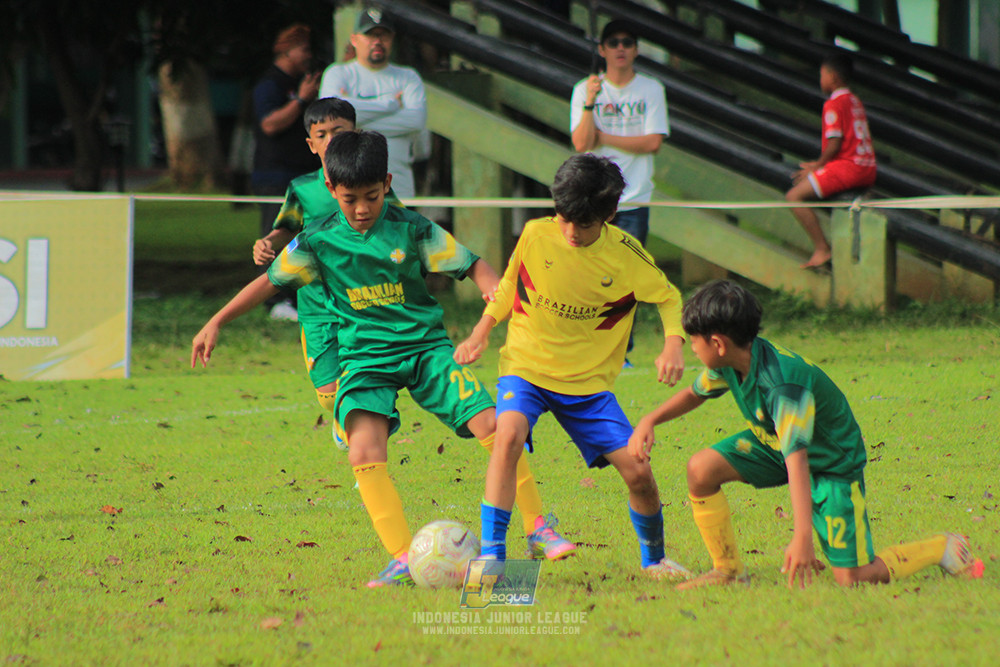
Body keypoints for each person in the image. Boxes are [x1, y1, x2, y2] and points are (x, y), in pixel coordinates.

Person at [192, 130, 572, 588]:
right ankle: (401, 558)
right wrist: (217, 320)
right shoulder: (316, 240)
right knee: (362, 448)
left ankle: (537, 526)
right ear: (330, 188)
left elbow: (472, 264)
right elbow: (269, 283)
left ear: (387, 183)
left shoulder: (412, 229)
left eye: (371, 196)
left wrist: (494, 292)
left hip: (426, 350)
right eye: (349, 199)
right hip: (366, 360)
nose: (361, 209)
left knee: (495, 425)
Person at [629, 280, 985, 589]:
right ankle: (728, 570)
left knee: (852, 577)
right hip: (776, 446)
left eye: (693, 341)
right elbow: (695, 394)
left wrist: (801, 538)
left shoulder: (782, 386)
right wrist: (650, 419)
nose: (691, 348)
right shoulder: (732, 362)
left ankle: (941, 547)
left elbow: (797, 461)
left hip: (831, 464)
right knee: (701, 469)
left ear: (718, 343)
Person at [454, 154, 688, 579]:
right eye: (564, 219)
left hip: (587, 386)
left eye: (583, 224)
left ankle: (654, 559)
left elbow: (669, 297)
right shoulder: (535, 234)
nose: (571, 232)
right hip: (526, 365)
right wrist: (482, 330)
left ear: (609, 215)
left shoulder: (626, 255)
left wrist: (674, 344)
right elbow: (509, 286)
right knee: (507, 436)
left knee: (639, 472)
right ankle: (493, 558)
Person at [249, 97, 401, 448]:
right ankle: (344, 412)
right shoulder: (302, 188)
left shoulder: (375, 185)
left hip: (364, 301)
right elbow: (286, 227)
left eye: (339, 131)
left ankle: (369, 422)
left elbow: (401, 228)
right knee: (328, 393)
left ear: (355, 133)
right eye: (322, 134)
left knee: (366, 373)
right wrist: (268, 242)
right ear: (311, 144)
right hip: (316, 304)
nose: (331, 140)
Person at [570, 18, 669, 364]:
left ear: (637, 49)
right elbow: (582, 143)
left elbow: (653, 142)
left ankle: (619, 352)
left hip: (635, 198)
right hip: (594, 199)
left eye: (627, 42)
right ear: (602, 50)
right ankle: (588, 348)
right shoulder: (585, 89)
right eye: (613, 42)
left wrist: (605, 137)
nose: (621, 48)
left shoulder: (651, 89)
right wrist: (590, 103)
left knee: (626, 281)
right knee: (589, 277)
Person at [318, 7, 427, 199]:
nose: (377, 41)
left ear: (392, 39)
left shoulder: (408, 77)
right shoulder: (337, 74)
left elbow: (416, 121)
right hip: (350, 192)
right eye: (370, 35)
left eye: (383, 35)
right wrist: (390, 105)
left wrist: (353, 122)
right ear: (354, 39)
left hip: (399, 190)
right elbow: (332, 118)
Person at [251, 23, 321, 320]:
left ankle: (292, 298)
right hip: (274, 177)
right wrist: (301, 100)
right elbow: (269, 124)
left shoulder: (298, 82)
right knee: (274, 238)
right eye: (304, 49)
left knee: (300, 239)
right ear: (287, 50)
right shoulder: (270, 85)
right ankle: (273, 301)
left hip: (300, 176)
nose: (309, 55)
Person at [786, 53, 877, 269]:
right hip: (868, 168)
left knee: (793, 196)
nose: (820, 80)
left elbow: (835, 143)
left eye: (822, 75)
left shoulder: (833, 104)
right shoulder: (855, 101)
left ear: (833, 77)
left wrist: (817, 166)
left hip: (849, 168)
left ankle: (822, 249)